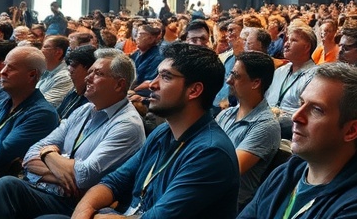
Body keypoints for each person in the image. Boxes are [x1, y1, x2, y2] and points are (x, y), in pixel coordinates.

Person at [64, 43, 239, 219]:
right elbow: (114, 181)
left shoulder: (211, 152)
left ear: (194, 90)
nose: (153, 84)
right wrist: (84, 209)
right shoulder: (163, 131)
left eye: (166, 77)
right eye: (157, 75)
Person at [0, 49, 145, 218]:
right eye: (90, 72)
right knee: (8, 186)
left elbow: (83, 176)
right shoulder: (84, 110)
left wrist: (48, 153)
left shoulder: (127, 124)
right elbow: (30, 156)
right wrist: (61, 170)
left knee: (8, 186)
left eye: (98, 74)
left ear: (119, 85)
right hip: (46, 190)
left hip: (77, 204)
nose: (88, 78)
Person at [238, 63, 357, 218]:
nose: (296, 116)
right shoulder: (284, 174)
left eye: (317, 110)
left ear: (351, 130)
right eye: (301, 103)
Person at [0, 46, 60, 200]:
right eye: (4, 65)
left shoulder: (43, 114)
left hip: (0, 192)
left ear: (32, 75)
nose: (3, 72)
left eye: (11, 68)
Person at [216, 51, 282, 209]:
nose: (229, 80)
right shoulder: (226, 114)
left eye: (236, 76)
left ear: (255, 83)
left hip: (227, 206)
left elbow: (227, 170)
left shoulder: (266, 126)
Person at [265, 24, 318, 138]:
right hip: (267, 124)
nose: (286, 44)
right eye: (287, 40)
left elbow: (309, 115)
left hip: (291, 133)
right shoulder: (280, 71)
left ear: (307, 47)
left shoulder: (315, 76)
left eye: (293, 40)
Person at [56, 45, 96, 119]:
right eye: (69, 65)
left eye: (74, 65)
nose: (69, 69)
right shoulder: (73, 91)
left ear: (89, 69)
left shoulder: (92, 100)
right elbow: (57, 115)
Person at [38, 35, 72, 107]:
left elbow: (45, 106)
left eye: (45, 47)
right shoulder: (43, 70)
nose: (40, 51)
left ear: (58, 52)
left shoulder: (64, 78)